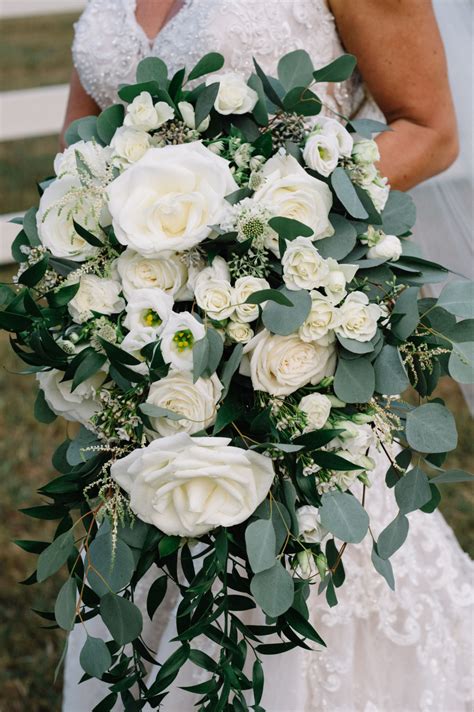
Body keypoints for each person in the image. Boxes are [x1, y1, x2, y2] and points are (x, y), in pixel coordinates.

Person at [61, 1, 473, 710]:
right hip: (151, 330)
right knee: (157, 516)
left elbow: (430, 130)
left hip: (284, 318)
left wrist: (266, 230)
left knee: (297, 538)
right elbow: (82, 146)